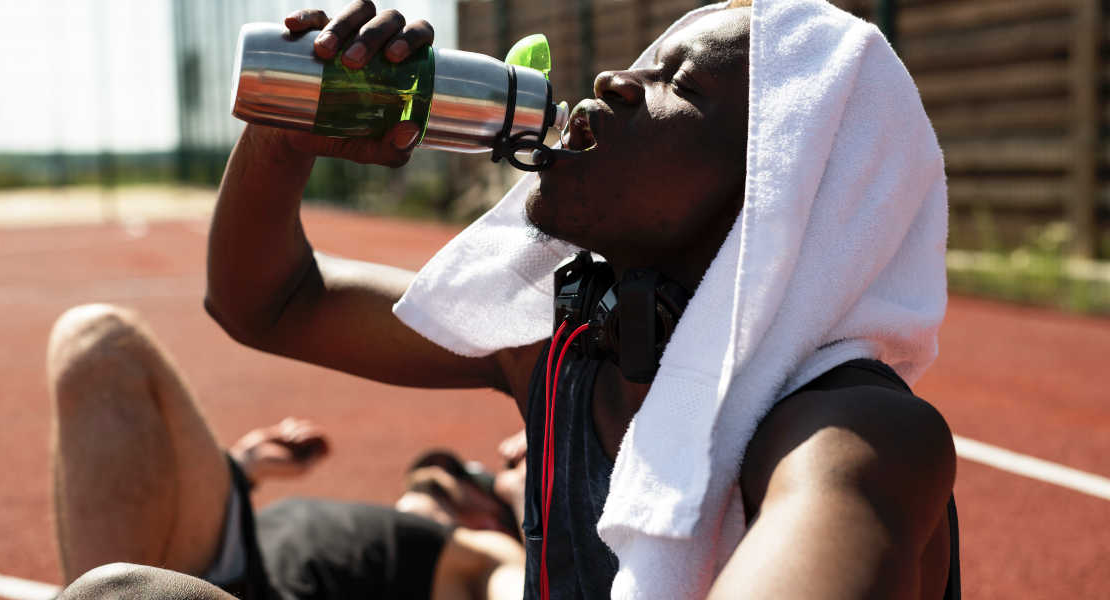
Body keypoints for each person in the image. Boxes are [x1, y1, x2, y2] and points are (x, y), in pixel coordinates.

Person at [204, 1, 959, 599]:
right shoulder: (561, 350)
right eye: (645, 65)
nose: (613, 81)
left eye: (683, 87)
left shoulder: (857, 438)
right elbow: (269, 303)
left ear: (783, 195)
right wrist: (283, 141)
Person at [48, 303, 527, 600]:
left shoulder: (486, 555)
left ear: (492, 518)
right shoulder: (384, 530)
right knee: (97, 340)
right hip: (225, 558)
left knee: (111, 591)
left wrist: (537, 505)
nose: (439, 475)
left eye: (477, 477)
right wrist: (244, 470)